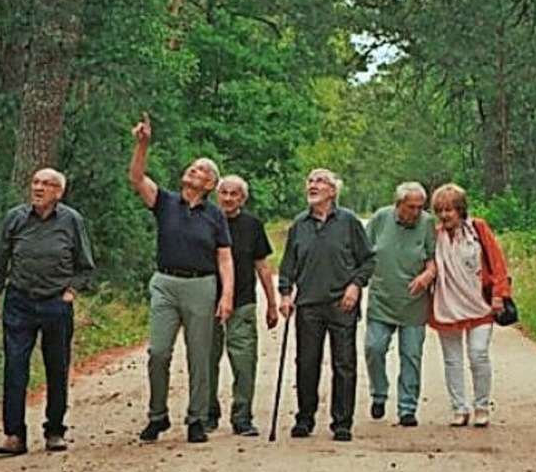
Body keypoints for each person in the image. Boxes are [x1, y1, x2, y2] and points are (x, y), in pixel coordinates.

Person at [128, 115, 234, 444]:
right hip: (165, 282)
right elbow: (136, 177)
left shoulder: (215, 215)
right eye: (193, 166)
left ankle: (197, 419)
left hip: (201, 285)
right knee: (158, 352)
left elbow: (225, 257)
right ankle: (157, 416)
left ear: (209, 185)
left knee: (199, 356)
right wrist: (142, 145)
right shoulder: (166, 202)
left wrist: (226, 295)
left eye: (201, 170)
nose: (193, 170)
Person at [0, 168, 95, 455]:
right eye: (36, 183)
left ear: (59, 192)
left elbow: (85, 266)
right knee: (15, 367)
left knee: (56, 367)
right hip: (19, 301)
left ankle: (54, 430)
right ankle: (14, 435)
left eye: (47, 184)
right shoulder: (15, 218)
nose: (39, 188)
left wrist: (70, 292)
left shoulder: (71, 220)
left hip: (56, 302)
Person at [278, 168, 375, 442]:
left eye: (320, 182)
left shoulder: (349, 222)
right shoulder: (299, 224)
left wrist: (355, 285)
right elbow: (287, 265)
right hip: (308, 303)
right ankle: (305, 418)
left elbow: (367, 260)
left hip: (341, 303)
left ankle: (342, 422)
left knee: (344, 364)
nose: (313, 185)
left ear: (333, 191)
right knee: (307, 363)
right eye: (310, 181)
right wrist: (285, 293)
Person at [428, 183, 511, 428]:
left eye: (450, 210)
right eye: (440, 210)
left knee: (478, 354)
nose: (445, 216)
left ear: (460, 210)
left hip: (480, 305)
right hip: (447, 305)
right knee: (452, 360)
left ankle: (482, 405)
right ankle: (459, 407)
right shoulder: (435, 236)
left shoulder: (478, 229)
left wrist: (499, 294)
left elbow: (497, 262)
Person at [206, 175, 279, 436]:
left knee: (244, 362)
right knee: (206, 360)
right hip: (207, 302)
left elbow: (262, 266)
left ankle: (242, 416)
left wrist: (272, 303)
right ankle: (207, 414)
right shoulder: (206, 219)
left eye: (233, 194)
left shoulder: (252, 225)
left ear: (243, 199)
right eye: (223, 192)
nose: (227, 198)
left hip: (243, 302)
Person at [364, 182, 437, 428]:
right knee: (374, 348)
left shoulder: (427, 224)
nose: (415, 212)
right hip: (382, 298)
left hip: (413, 301)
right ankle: (379, 393)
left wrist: (427, 276)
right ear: (398, 204)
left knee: (411, 355)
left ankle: (407, 407)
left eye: (419, 207)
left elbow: (433, 260)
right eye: (410, 207)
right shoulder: (381, 219)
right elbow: (363, 253)